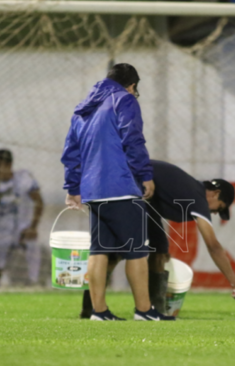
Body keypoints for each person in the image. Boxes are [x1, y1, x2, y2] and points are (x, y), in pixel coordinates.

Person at [61, 63, 173, 321]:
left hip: (93, 192)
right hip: (121, 187)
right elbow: (132, 137)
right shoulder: (124, 99)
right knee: (137, 250)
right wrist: (145, 174)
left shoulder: (83, 108)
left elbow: (71, 154)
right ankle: (144, 311)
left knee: (99, 250)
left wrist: (73, 187)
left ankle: (98, 312)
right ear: (132, 85)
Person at [79, 160, 235, 317]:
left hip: (122, 193)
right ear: (216, 193)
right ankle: (99, 309)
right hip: (125, 194)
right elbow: (213, 246)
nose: (214, 213)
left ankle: (153, 309)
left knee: (159, 251)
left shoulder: (188, 188)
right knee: (114, 254)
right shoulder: (198, 198)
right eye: (219, 208)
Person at [0, 149, 43, 287]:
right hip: (1, 230)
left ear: (9, 165)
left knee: (33, 257)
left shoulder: (24, 178)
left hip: (22, 228)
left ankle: (35, 288)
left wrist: (33, 227)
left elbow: (39, 201)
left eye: (0, 166)